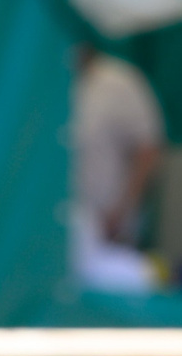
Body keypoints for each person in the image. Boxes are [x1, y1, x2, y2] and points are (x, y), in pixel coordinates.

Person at [70, 44, 166, 290]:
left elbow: (149, 150)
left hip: (110, 230)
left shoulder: (119, 81)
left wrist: (121, 213)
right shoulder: (49, 84)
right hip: (67, 231)